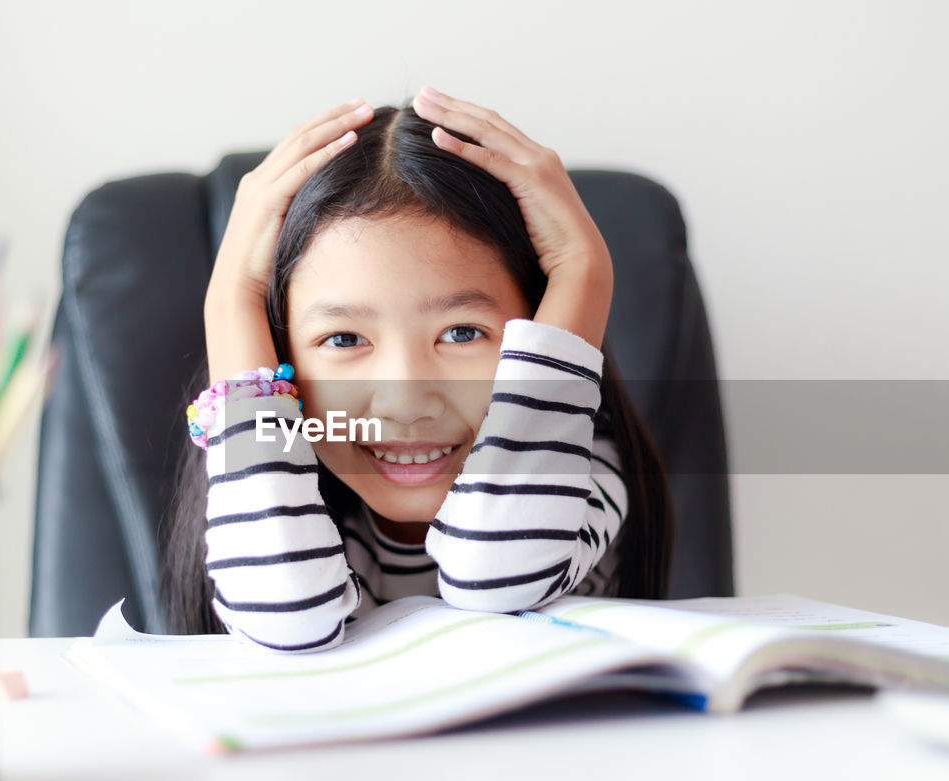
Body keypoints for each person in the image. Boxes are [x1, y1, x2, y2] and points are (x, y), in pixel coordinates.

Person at [162, 86, 674, 650]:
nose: (405, 403)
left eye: (460, 333)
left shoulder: (573, 468)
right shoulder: (281, 487)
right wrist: (232, 298)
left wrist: (582, 270)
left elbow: (495, 576)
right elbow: (286, 612)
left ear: (541, 334)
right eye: (344, 338)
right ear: (278, 358)